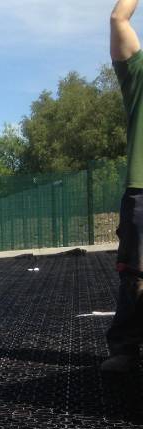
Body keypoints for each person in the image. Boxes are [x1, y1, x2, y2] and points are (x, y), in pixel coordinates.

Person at [105, 0, 143, 373]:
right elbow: (119, 17)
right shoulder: (139, 73)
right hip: (142, 189)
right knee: (135, 272)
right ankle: (127, 349)